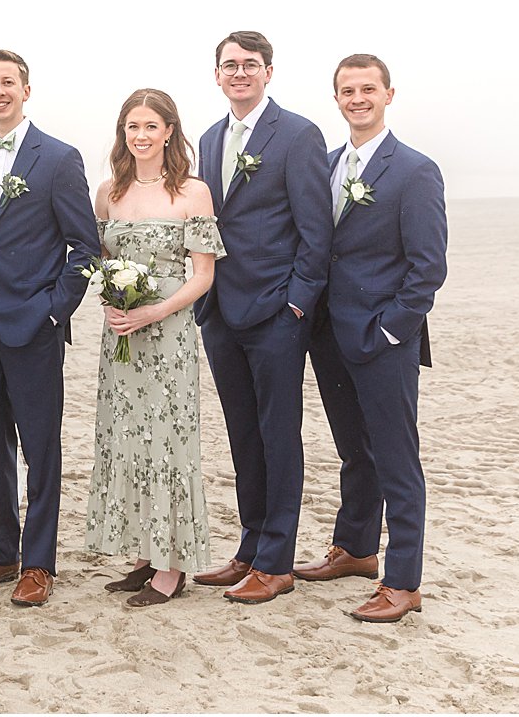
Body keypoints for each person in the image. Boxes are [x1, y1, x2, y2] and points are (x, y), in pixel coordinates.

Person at [295, 54, 447, 623]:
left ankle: (403, 581)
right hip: (328, 333)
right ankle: (357, 549)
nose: (356, 98)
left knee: (395, 456)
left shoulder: (414, 170)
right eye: (346, 90)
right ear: (336, 99)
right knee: (353, 449)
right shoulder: (327, 165)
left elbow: (427, 267)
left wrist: (391, 329)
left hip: (382, 339)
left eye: (367, 89)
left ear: (388, 94)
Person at [0, 50, 97, 607]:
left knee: (41, 448)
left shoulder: (59, 158)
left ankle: (39, 563)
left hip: (35, 326)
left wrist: (55, 309)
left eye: (7, 82)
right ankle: (0, 554)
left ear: (26, 89)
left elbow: (84, 247)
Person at [193, 31, 331, 605]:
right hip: (221, 311)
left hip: (277, 311)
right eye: (230, 65)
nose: (239, 73)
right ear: (217, 75)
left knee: (279, 436)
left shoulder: (298, 134)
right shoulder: (208, 137)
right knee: (243, 435)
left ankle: (276, 561)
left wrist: (297, 303)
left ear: (269, 72)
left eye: (250, 65)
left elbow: (315, 230)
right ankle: (249, 549)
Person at [85, 89, 224, 607]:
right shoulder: (108, 193)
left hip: (168, 333)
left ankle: (173, 566)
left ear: (169, 131)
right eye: (131, 127)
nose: (140, 136)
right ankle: (142, 554)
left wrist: (153, 311)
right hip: (120, 333)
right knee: (126, 438)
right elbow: (99, 262)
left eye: (150, 126)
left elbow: (203, 276)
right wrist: (111, 305)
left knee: (168, 441)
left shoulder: (193, 193)